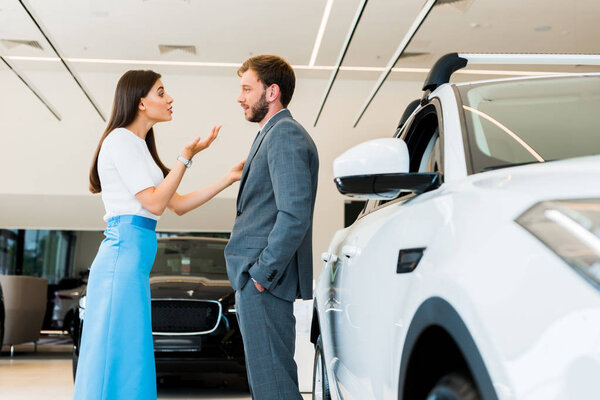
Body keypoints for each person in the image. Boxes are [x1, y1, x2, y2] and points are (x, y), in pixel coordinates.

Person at [73, 69, 244, 400]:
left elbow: (177, 205)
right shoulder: (120, 140)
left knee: (129, 351)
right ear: (140, 103)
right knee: (113, 351)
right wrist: (186, 157)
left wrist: (226, 179)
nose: (170, 99)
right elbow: (153, 202)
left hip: (131, 262)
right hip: (121, 257)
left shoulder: (139, 146)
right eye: (161, 92)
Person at [224, 55, 319, 399]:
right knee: (268, 383)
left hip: (265, 281)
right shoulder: (272, 135)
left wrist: (262, 275)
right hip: (260, 280)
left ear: (271, 92)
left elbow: (294, 214)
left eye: (247, 89)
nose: (240, 97)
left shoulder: (284, 134)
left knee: (273, 385)